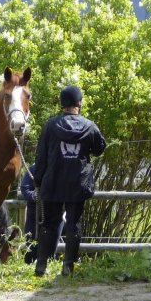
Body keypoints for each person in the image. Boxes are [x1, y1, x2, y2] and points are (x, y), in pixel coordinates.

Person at [33, 85, 106, 276]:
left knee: (48, 224)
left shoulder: (50, 125)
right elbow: (100, 148)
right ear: (79, 103)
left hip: (53, 181)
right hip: (77, 183)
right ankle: (68, 266)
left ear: (62, 103)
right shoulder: (89, 126)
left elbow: (41, 156)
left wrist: (38, 181)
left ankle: (41, 265)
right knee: (74, 224)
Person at [20, 163, 64, 264]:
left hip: (55, 212)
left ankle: (47, 264)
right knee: (31, 245)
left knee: (51, 246)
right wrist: (34, 195)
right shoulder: (34, 168)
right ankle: (30, 265)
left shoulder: (60, 169)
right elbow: (25, 187)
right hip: (34, 212)